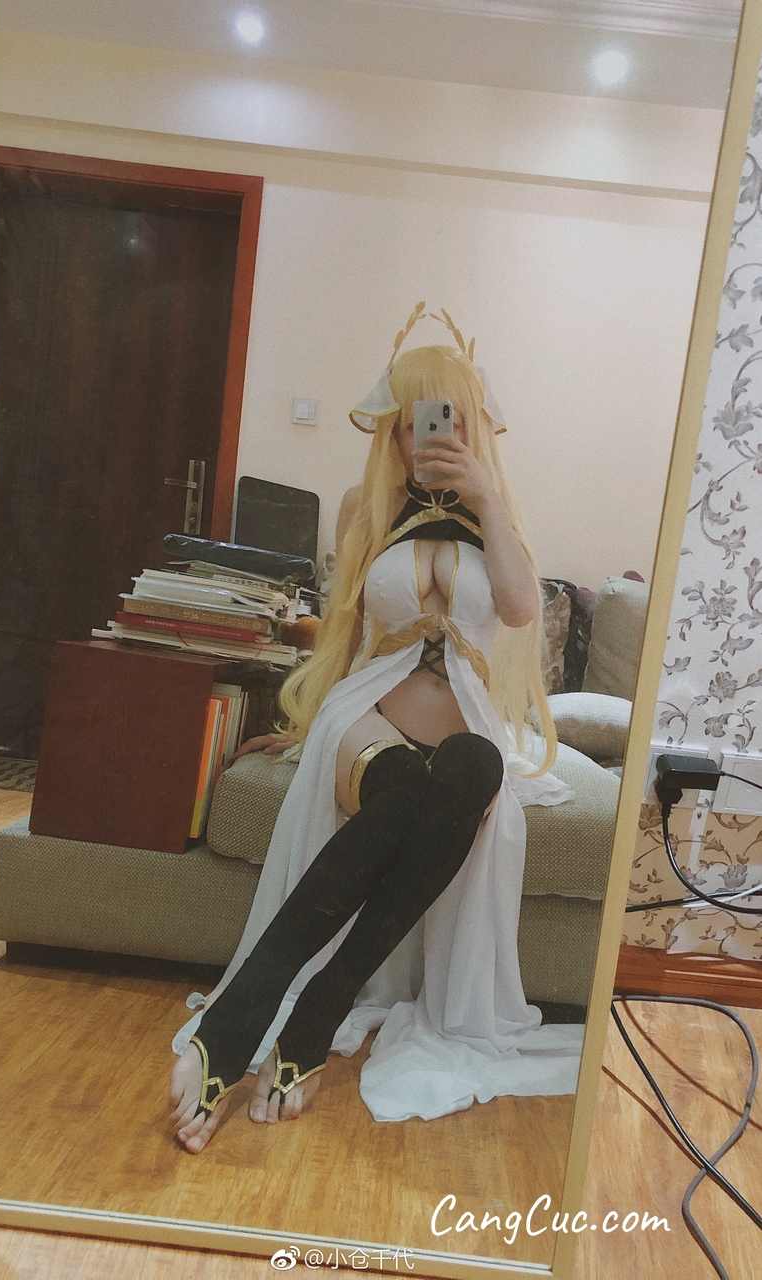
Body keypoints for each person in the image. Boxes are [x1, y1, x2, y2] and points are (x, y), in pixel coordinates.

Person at [169, 306, 579, 1154]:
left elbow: (514, 611)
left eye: (446, 417)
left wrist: (484, 497)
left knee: (470, 770)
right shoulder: (368, 505)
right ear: (391, 429)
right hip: (370, 714)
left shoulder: (499, 515)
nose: (426, 436)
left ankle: (311, 1015)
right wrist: (303, 725)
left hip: (461, 728)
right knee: (396, 791)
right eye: (411, 420)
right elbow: (346, 629)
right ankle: (245, 1022)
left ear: (471, 425)